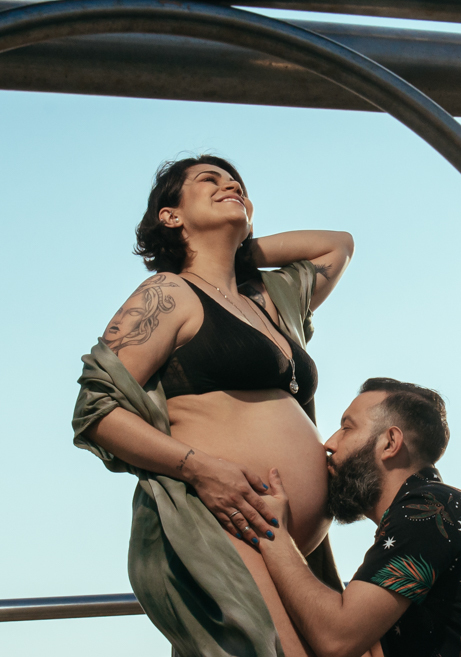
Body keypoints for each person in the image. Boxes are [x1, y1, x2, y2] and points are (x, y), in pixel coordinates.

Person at [72, 154, 354, 657]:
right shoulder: (168, 293)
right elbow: (97, 411)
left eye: (238, 183)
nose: (231, 185)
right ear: (170, 215)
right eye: (210, 181)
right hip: (221, 523)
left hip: (290, 544)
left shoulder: (269, 300)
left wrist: (239, 249)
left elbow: (338, 245)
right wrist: (202, 470)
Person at [248, 378, 461, 657]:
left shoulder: (428, 508)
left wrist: (272, 533)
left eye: (347, 428)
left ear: (390, 442)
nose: (330, 444)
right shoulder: (430, 511)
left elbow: (337, 638)